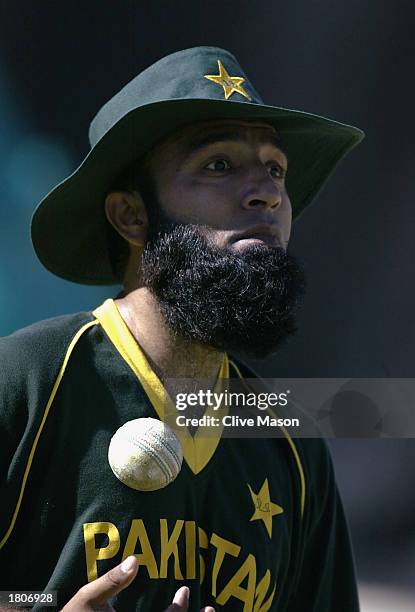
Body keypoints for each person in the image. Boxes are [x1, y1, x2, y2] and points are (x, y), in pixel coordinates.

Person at [0, 47, 364, 611]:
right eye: (219, 164)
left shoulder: (291, 444)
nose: (266, 191)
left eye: (276, 168)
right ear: (131, 215)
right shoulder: (23, 382)